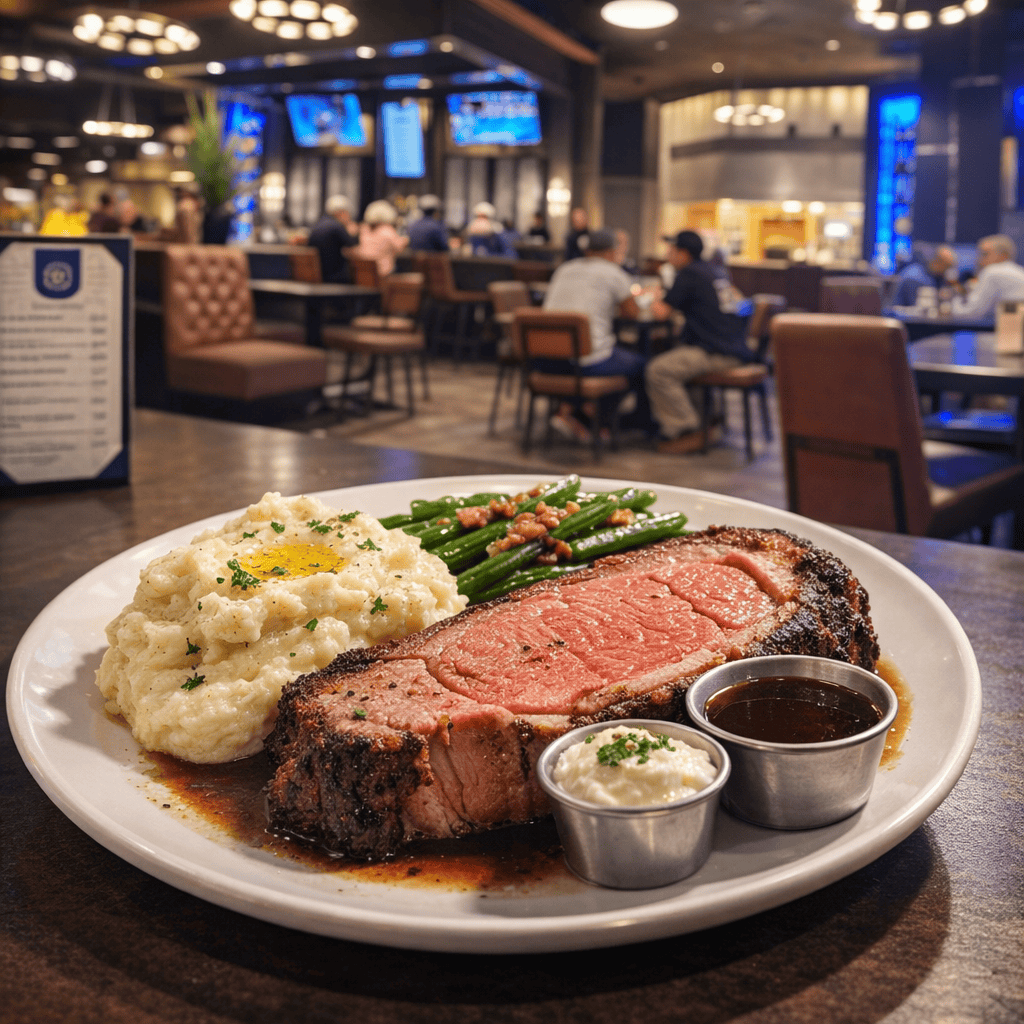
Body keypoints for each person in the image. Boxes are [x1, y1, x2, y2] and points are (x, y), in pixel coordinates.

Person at [644, 230, 755, 453]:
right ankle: (706, 422)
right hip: (736, 347)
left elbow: (661, 314)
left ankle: (687, 430)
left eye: (671, 251)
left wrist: (654, 295)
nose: (668, 256)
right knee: (676, 357)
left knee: (658, 370)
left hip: (718, 353)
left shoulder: (689, 274)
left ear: (683, 253)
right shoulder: (715, 270)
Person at [540, 227, 651, 440]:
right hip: (586, 362)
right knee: (642, 366)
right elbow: (633, 313)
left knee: (612, 353)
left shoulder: (565, 268)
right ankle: (604, 422)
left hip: (546, 358)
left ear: (587, 250)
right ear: (612, 252)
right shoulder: (614, 273)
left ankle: (576, 411)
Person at [951, 234, 1024, 319]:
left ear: (1003, 255)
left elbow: (971, 313)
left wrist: (954, 299)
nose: (979, 260)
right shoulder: (1019, 271)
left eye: (985, 254)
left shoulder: (992, 271)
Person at [307, 195, 358, 283]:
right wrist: (353, 231)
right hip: (333, 276)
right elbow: (352, 245)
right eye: (347, 213)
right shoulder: (336, 226)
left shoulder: (318, 224)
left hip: (319, 273)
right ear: (341, 212)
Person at [351, 199, 407, 277]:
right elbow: (399, 248)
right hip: (383, 274)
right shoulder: (387, 230)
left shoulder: (364, 228)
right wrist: (406, 239)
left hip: (363, 273)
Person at [890, 243, 958, 307]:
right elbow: (918, 308)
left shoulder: (935, 277)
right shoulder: (915, 277)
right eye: (946, 267)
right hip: (902, 317)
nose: (946, 271)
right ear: (938, 263)